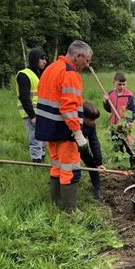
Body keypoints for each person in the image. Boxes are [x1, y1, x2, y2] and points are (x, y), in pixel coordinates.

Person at [35, 40, 93, 213]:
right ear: (78, 56)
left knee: (57, 166)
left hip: (48, 128)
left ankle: (57, 204)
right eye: (87, 60)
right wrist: (77, 133)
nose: (87, 65)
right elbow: (68, 107)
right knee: (70, 169)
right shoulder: (70, 73)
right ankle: (71, 211)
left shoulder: (51, 68)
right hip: (64, 129)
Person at [16, 48, 48, 162]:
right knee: (35, 139)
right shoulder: (24, 75)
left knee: (43, 139)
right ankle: (36, 162)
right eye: (42, 59)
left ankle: (42, 160)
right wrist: (32, 115)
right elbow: (24, 97)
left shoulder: (38, 74)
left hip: (40, 112)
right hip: (32, 113)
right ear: (35, 60)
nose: (45, 61)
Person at [103, 71, 135, 168]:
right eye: (119, 84)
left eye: (124, 84)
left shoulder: (129, 96)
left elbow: (134, 112)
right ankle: (120, 168)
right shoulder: (111, 94)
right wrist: (106, 101)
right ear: (114, 82)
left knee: (130, 147)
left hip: (125, 127)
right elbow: (108, 109)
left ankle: (134, 167)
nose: (122, 86)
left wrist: (128, 122)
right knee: (117, 148)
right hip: (114, 126)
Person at [81, 101, 106, 199]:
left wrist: (99, 162)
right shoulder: (76, 123)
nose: (94, 122)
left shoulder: (91, 125)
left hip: (82, 146)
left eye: (95, 119)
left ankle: (97, 190)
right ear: (83, 117)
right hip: (70, 146)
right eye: (91, 119)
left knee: (92, 164)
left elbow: (94, 141)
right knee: (72, 169)